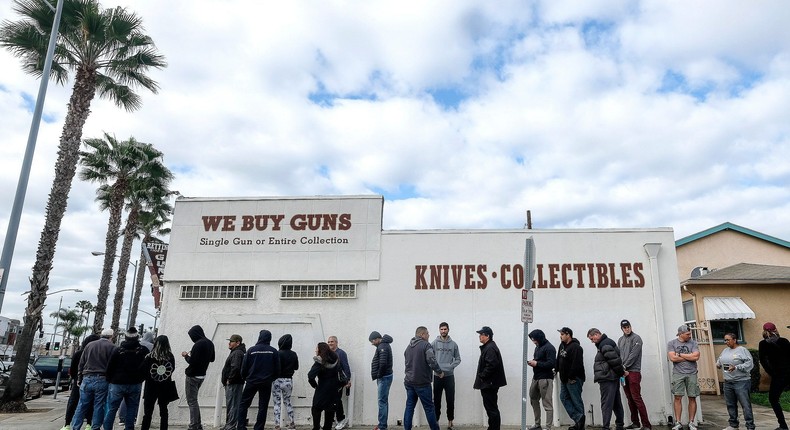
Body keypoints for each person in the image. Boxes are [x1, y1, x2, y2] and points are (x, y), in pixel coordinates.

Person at [104, 326, 149, 430]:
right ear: (137, 337)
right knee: (131, 409)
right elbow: (147, 366)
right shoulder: (143, 350)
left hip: (117, 383)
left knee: (112, 409)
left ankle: (107, 428)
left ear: (125, 337)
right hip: (135, 383)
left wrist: (109, 380)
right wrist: (142, 378)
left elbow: (110, 367)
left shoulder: (118, 350)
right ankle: (129, 427)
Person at [70, 328, 117, 430]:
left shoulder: (89, 345)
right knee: (98, 405)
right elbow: (113, 366)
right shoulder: (112, 347)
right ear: (111, 336)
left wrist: (79, 378)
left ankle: (75, 427)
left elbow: (81, 363)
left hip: (87, 378)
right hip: (102, 379)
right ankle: (95, 427)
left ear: (101, 335)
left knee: (81, 405)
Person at [237, 329, 281, 430]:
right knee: (263, 406)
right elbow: (278, 369)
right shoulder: (273, 351)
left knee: (244, 404)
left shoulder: (251, 350)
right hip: (266, 382)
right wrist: (271, 378)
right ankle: (259, 427)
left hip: (251, 381)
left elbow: (244, 368)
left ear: (259, 337)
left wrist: (245, 378)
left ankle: (241, 426)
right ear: (269, 338)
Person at [403, 326, 444, 430]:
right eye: (427, 333)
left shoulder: (408, 347)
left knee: (409, 407)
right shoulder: (426, 345)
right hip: (422, 383)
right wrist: (439, 372)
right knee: (429, 408)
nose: (429, 335)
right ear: (422, 335)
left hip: (409, 382)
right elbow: (432, 361)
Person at [587, 328, 625, 430]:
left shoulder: (605, 344)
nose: (592, 341)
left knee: (606, 403)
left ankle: (606, 427)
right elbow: (614, 360)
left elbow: (613, 361)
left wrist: (621, 372)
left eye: (592, 339)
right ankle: (619, 425)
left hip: (607, 378)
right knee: (616, 402)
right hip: (612, 377)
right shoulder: (605, 343)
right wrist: (620, 373)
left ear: (596, 334)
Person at [617, 320, 651, 430]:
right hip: (623, 373)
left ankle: (646, 425)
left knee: (636, 398)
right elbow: (619, 356)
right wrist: (621, 369)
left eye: (628, 326)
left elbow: (634, 355)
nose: (627, 329)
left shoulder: (637, 338)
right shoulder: (620, 340)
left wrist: (624, 366)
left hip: (633, 372)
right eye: (624, 327)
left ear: (631, 326)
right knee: (629, 399)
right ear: (621, 328)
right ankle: (635, 423)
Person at [716, 333, 755, 430]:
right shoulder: (725, 350)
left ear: (734, 340)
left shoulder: (742, 350)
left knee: (745, 405)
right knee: (730, 404)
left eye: (728, 340)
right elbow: (720, 359)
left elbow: (749, 364)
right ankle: (733, 424)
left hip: (741, 382)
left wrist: (737, 367)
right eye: (725, 340)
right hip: (728, 382)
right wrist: (718, 364)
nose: (726, 342)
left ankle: (750, 426)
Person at [62, 334, 100, 430]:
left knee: (74, 402)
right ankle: (89, 424)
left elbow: (73, 368)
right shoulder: (96, 354)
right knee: (92, 402)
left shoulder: (78, 354)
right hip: (94, 380)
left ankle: (67, 424)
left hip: (78, 381)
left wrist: (76, 379)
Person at [182, 325, 216, 430]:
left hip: (192, 375)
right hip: (202, 375)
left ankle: (193, 425)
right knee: (194, 401)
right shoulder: (210, 343)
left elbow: (192, 362)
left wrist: (186, 356)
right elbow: (212, 359)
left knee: (191, 401)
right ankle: (197, 424)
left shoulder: (197, 344)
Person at [141, 335, 178, 430]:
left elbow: (143, 370)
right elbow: (171, 369)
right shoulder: (170, 357)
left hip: (150, 387)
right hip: (165, 387)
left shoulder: (149, 356)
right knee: (164, 411)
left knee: (148, 413)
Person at [667, 324, 700, 430]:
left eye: (690, 333)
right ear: (680, 334)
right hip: (678, 373)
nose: (690, 335)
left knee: (692, 397)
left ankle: (691, 422)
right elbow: (672, 358)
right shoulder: (672, 343)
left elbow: (696, 356)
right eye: (687, 334)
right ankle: (678, 422)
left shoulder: (693, 343)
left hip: (692, 373)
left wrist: (680, 355)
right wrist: (689, 356)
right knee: (677, 397)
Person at [758, 322, 790, 430]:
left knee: (773, 399)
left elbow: (763, 361)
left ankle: (783, 425)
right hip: (788, 373)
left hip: (778, 375)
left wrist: (772, 373)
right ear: (776, 330)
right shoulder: (784, 341)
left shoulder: (763, 344)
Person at [473, 326, 506, 430]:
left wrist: (482, 376)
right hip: (490, 383)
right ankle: (492, 427)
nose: (479, 337)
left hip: (489, 384)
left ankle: (494, 428)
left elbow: (492, 365)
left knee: (491, 409)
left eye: (481, 335)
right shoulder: (489, 346)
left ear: (487, 336)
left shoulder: (490, 348)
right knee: (491, 408)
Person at [431, 322, 461, 430]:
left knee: (450, 399)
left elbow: (458, 359)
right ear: (439, 330)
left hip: (449, 376)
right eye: (441, 329)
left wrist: (449, 367)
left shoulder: (453, 344)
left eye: (445, 329)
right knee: (437, 400)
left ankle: (450, 422)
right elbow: (430, 359)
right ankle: (436, 422)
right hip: (437, 376)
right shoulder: (434, 343)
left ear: (448, 330)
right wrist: (437, 370)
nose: (443, 331)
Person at [556, 327, 585, 430]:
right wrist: (556, 369)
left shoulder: (576, 347)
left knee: (576, 400)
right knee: (563, 397)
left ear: (568, 335)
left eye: (562, 334)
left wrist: (571, 377)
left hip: (574, 379)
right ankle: (578, 418)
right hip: (564, 379)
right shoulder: (562, 345)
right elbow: (558, 359)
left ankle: (580, 425)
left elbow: (576, 364)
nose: (560, 336)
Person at [308, 342, 341, 430]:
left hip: (322, 389)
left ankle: (316, 427)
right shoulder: (336, 359)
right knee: (330, 412)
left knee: (316, 409)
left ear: (320, 350)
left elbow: (311, 376)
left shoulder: (319, 361)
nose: (315, 350)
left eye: (316, 348)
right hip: (333, 390)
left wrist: (315, 385)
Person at [528, 329, 556, 430]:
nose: (533, 341)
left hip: (545, 378)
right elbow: (540, 360)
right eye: (532, 339)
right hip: (536, 377)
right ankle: (537, 424)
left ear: (539, 338)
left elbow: (552, 363)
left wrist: (537, 363)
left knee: (547, 403)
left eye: (534, 339)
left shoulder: (549, 348)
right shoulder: (538, 347)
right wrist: (534, 361)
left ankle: (548, 427)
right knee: (533, 398)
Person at [273, 334, 299, 430]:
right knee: (288, 401)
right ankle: (292, 423)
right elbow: (296, 367)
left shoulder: (277, 353)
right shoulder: (293, 354)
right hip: (288, 380)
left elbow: (273, 367)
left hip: (277, 380)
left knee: (277, 403)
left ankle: (277, 425)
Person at [370, 331, 394, 430]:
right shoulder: (384, 345)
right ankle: (382, 424)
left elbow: (383, 363)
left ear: (377, 339)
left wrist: (379, 375)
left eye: (372, 341)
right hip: (386, 377)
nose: (372, 343)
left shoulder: (382, 346)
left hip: (384, 378)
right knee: (384, 401)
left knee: (382, 402)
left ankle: (382, 426)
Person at [222, 334, 246, 430]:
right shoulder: (237, 352)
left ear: (237, 342)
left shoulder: (237, 353)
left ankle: (231, 426)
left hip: (234, 383)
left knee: (233, 404)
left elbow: (235, 367)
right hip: (234, 382)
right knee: (232, 404)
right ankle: (229, 425)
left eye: (231, 341)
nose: (229, 343)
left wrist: (229, 379)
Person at [327, 336, 351, 430]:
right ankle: (332, 421)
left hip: (338, 382)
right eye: (328, 342)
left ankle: (341, 419)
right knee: (329, 402)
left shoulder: (341, 353)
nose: (330, 343)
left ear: (336, 342)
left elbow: (346, 366)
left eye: (332, 341)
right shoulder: (328, 353)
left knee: (337, 401)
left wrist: (348, 380)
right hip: (328, 382)